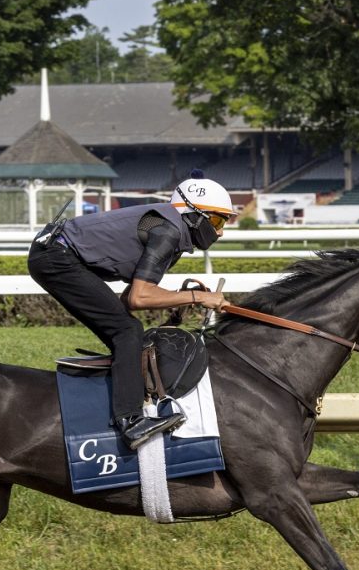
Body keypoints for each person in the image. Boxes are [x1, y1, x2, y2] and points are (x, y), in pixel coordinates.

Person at [28, 175, 232, 450]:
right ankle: (130, 421)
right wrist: (198, 296)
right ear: (194, 215)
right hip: (55, 256)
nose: (220, 232)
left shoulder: (170, 232)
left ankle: (124, 397)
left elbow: (128, 298)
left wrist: (182, 299)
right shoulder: (167, 232)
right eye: (218, 221)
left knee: (128, 332)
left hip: (55, 253)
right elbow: (139, 297)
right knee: (127, 331)